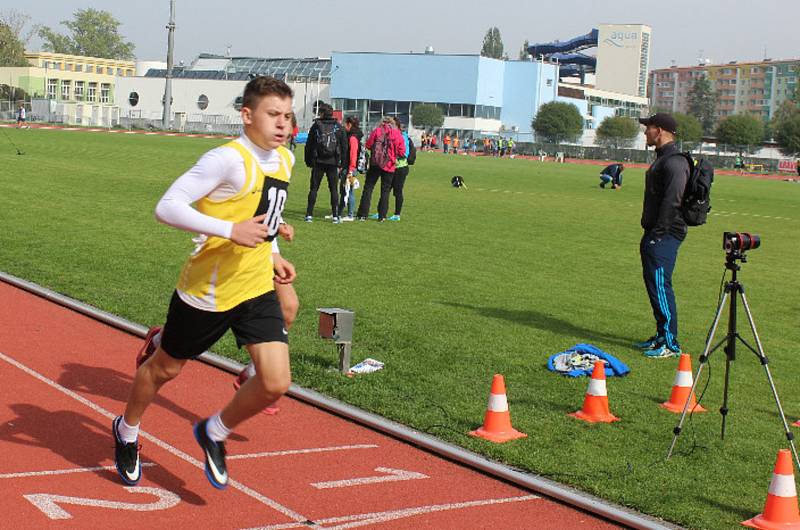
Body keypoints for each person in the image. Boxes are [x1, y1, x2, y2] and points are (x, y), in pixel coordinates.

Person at [112, 76, 296, 490]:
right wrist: (229, 230)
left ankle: (213, 431)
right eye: (273, 115)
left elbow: (258, 217)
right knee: (164, 371)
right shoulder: (225, 159)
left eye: (287, 115)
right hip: (207, 292)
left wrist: (273, 254)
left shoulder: (284, 159)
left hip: (253, 286)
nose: (282, 124)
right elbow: (167, 207)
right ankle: (126, 431)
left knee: (275, 382)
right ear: (247, 115)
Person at [635, 113, 689, 359]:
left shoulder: (675, 161)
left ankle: (670, 342)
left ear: (661, 130)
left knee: (660, 284)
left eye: (649, 128)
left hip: (665, 234)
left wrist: (657, 234)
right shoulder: (663, 158)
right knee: (654, 285)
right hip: (656, 232)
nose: (645, 132)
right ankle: (660, 335)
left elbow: (673, 201)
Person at [304, 103, 346, 223]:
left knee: (314, 189)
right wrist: (342, 163)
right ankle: (335, 216)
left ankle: (309, 214)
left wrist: (309, 161)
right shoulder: (339, 127)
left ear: (321, 113)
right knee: (333, 189)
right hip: (333, 162)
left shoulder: (316, 126)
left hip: (318, 161)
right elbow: (344, 146)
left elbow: (309, 145)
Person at [356, 117, 405, 221]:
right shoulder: (397, 134)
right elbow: (402, 151)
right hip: (389, 165)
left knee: (368, 188)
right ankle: (382, 216)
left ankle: (363, 214)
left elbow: (368, 145)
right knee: (385, 190)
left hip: (375, 163)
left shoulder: (377, 131)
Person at [340, 116, 363, 221]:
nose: (343, 126)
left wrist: (351, 169)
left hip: (350, 167)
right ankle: (339, 213)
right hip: (346, 166)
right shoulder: (351, 136)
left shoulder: (353, 138)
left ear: (349, 124)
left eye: (345, 124)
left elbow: (353, 154)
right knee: (344, 190)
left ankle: (350, 215)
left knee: (349, 191)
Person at [388, 117, 410, 221]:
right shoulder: (390, 135)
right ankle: (381, 212)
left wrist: (393, 156)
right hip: (391, 167)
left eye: (391, 125)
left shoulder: (403, 136)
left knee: (398, 191)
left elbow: (405, 153)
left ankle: (397, 214)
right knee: (386, 190)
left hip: (400, 167)